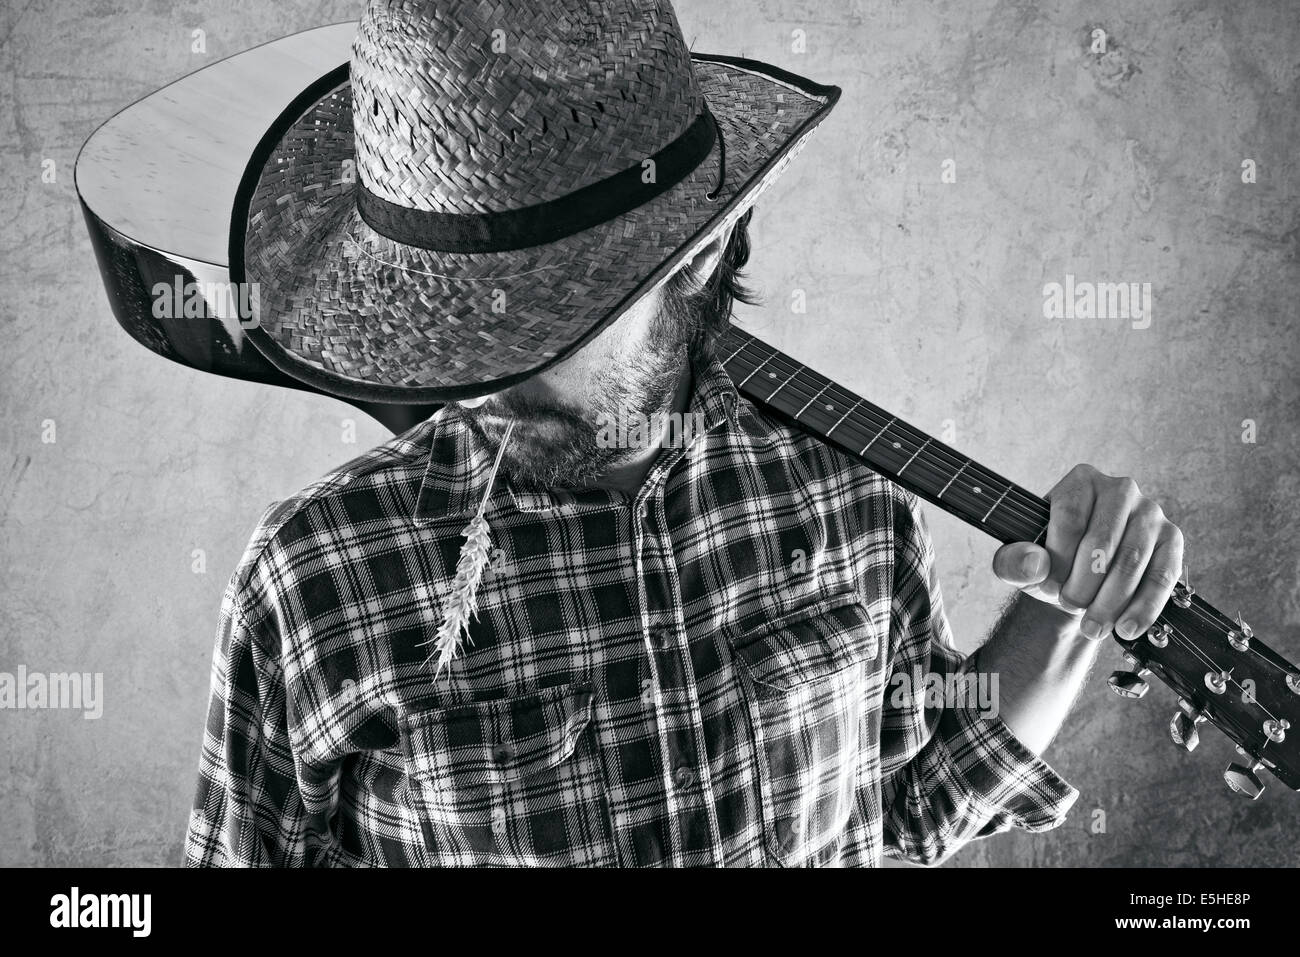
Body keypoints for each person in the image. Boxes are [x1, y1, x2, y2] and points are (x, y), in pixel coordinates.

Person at [184, 0, 1183, 867]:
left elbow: (908, 802)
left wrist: (1064, 607)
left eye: (537, 322)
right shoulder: (313, 577)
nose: (477, 377)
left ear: (697, 258)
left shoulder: (842, 491)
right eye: (451, 324)